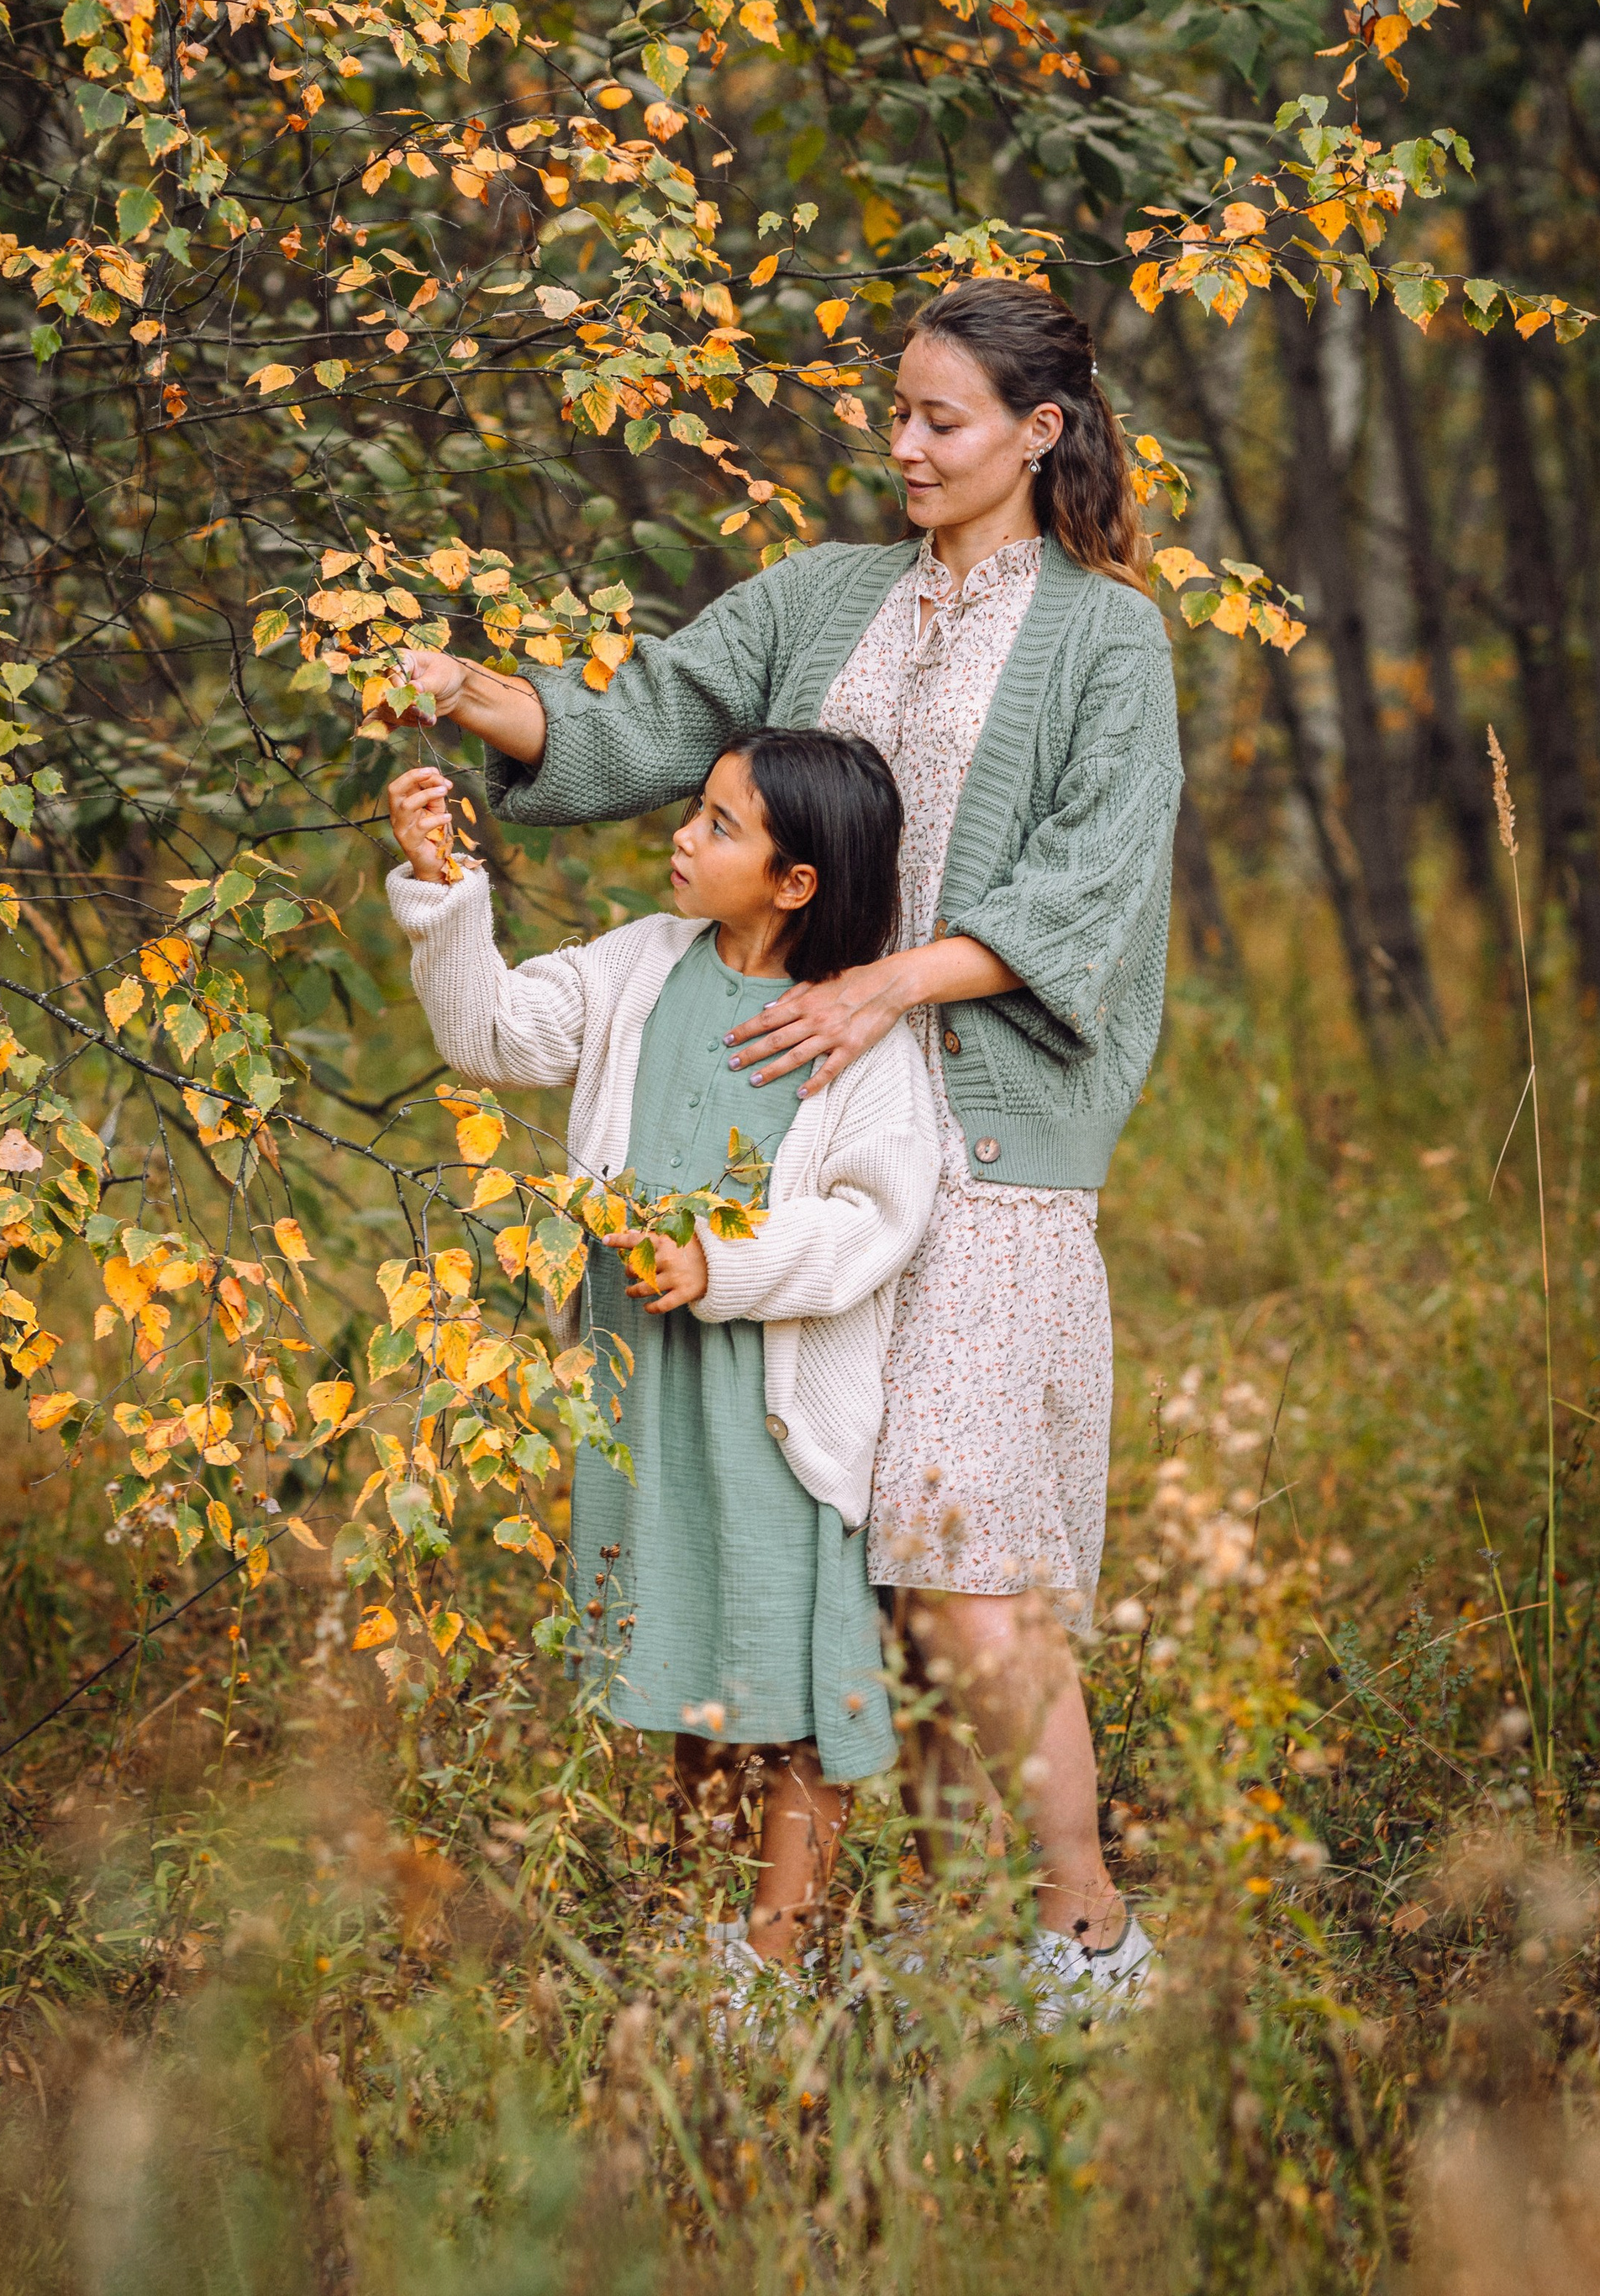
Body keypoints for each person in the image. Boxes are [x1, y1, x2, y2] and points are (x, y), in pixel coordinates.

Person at [397, 282, 1181, 2021]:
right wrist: (470, 690)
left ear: (1037, 434)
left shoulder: (1105, 638)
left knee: (966, 1579)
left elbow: (1090, 888)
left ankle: (1086, 1935)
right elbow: (626, 730)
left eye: (941, 420)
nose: (901, 445)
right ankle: (901, 1933)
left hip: (988, 1149)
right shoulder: (822, 598)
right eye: (892, 412)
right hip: (798, 1158)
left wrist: (879, 990)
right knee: (851, 1560)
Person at [385, 728, 937, 1996]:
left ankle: (771, 1959)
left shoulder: (857, 1034)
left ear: (796, 882)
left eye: (721, 825)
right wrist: (445, 897)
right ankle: (705, 1933)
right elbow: (499, 1037)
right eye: (698, 811)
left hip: (769, 1407)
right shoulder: (643, 964)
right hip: (644, 1390)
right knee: (688, 1658)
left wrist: (722, 1262)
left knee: (789, 1685)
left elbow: (876, 1220)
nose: (683, 838)